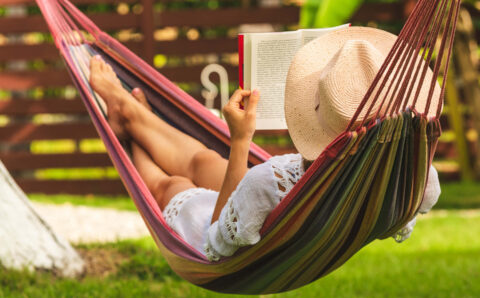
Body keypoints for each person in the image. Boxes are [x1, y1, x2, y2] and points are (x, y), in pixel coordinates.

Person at [89, 26, 441, 262]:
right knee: (202, 159)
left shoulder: (264, 184)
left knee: (174, 184)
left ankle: (126, 133)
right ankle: (133, 115)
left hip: (225, 230)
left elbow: (217, 241)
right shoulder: (415, 179)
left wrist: (240, 140)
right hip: (281, 201)